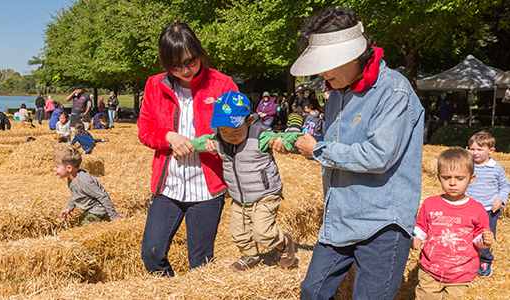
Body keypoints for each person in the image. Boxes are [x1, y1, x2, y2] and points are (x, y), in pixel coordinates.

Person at [272, 8, 424, 299]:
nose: (322, 73)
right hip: (340, 216)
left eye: (327, 64)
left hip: (382, 222)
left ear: (354, 56)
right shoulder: (337, 93)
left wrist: (318, 149)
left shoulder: (394, 91)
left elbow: (378, 155)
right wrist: (302, 146)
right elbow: (338, 147)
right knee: (312, 292)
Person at [137, 22, 239, 277]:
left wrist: (223, 143)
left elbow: (240, 128)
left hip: (207, 190)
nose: (184, 70)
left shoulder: (222, 84)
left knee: (200, 265)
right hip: (167, 187)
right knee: (151, 254)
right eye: (176, 66)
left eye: (191, 62)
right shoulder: (154, 85)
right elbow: (144, 128)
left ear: (199, 52)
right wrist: (167, 136)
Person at [199, 91, 296, 271]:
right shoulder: (219, 139)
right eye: (225, 131)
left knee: (263, 233)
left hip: (265, 194)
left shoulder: (261, 136)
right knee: (239, 233)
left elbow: (280, 138)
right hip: (240, 197)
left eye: (236, 130)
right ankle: (251, 255)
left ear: (250, 120)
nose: (230, 136)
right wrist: (186, 146)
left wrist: (287, 141)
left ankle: (284, 243)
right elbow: (200, 142)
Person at [412, 147, 493, 299]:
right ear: (438, 177)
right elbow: (421, 226)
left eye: (459, 178)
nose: (453, 183)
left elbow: (478, 238)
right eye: (446, 177)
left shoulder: (477, 209)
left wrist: (484, 240)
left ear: (471, 178)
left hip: (462, 275)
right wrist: (416, 238)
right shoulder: (430, 204)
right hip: (430, 271)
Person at [465, 131, 509, 277]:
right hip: (469, 208)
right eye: (472, 149)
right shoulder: (467, 165)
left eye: (479, 149)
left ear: (491, 150)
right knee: (468, 234)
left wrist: (500, 199)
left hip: (489, 210)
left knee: (485, 237)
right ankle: (469, 260)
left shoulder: (497, 168)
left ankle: (484, 260)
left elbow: (505, 186)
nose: (474, 152)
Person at [54, 146, 124, 226]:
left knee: (82, 232)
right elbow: (76, 194)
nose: (54, 169)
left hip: (97, 211)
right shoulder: (71, 177)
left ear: (69, 168)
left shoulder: (84, 181)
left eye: (57, 166)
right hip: (89, 210)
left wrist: (114, 216)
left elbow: (103, 196)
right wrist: (69, 207)